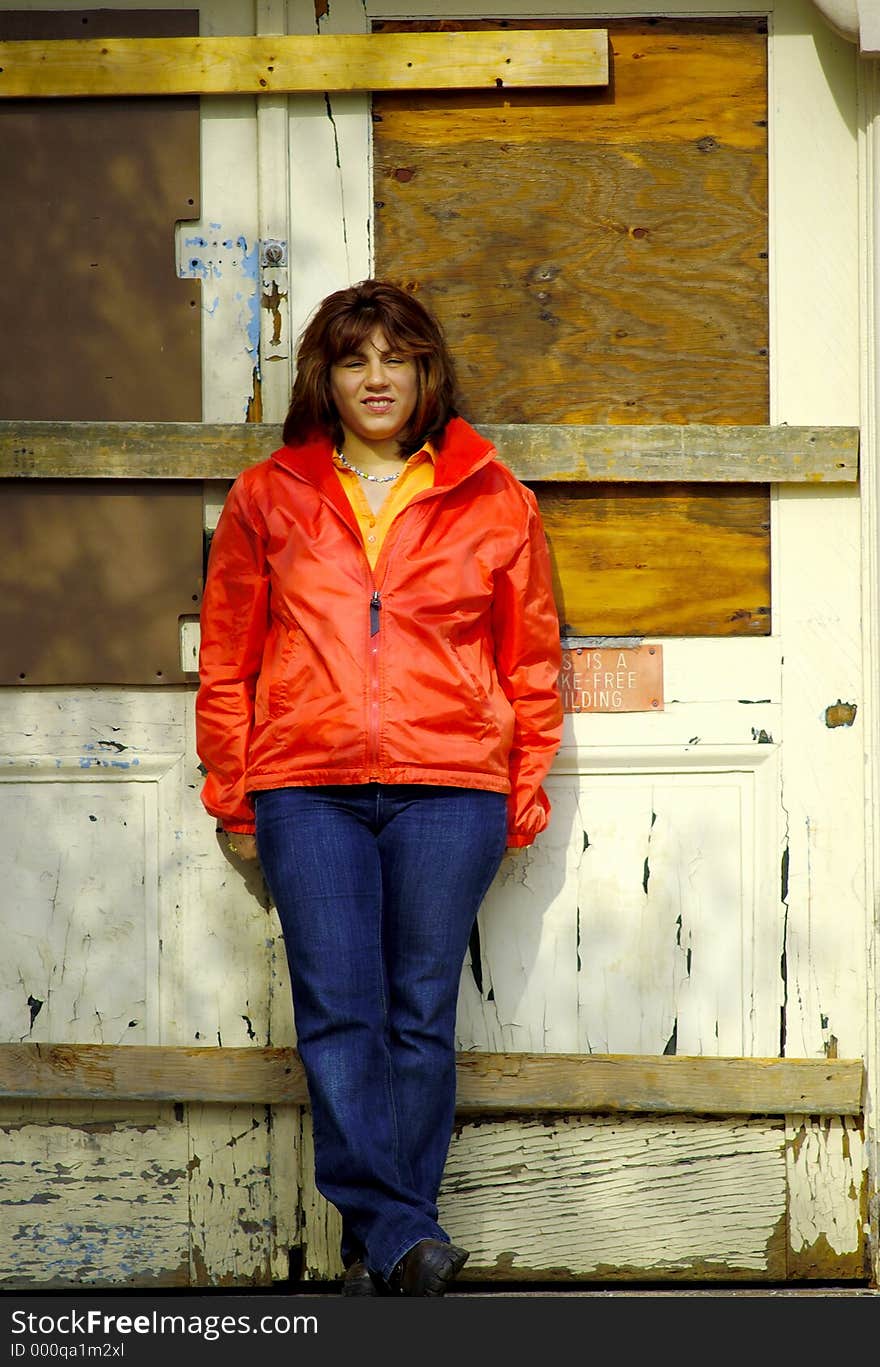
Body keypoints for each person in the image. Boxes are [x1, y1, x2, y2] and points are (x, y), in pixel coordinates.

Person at [195, 279, 563, 1297]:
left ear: (422, 372)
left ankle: (379, 1248)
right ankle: (406, 1232)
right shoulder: (268, 497)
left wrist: (521, 784)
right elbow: (228, 657)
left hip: (449, 785)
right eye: (354, 359)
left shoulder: (493, 496)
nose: (374, 378)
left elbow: (529, 659)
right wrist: (234, 789)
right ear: (327, 375)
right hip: (307, 787)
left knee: (415, 1015)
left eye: (393, 359)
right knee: (337, 1013)